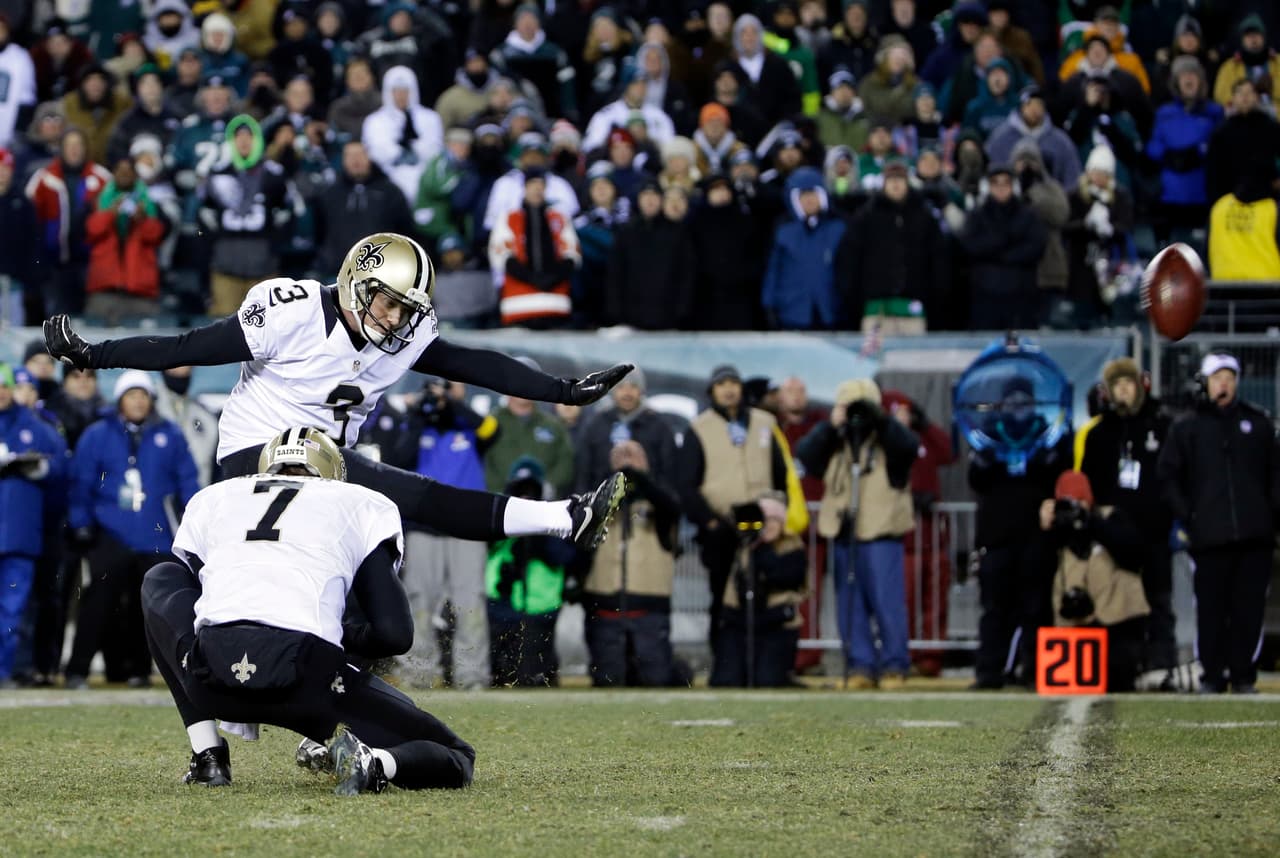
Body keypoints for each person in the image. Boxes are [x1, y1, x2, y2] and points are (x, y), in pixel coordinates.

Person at [43, 231, 630, 554]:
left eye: (408, 308)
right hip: (256, 454)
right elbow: (184, 348)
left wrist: (560, 391)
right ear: (358, 281)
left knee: (383, 548)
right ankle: (562, 518)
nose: (399, 319)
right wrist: (96, 354)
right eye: (391, 301)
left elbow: (469, 363)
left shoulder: (404, 332)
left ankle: (324, 716)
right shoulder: (291, 312)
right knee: (406, 494)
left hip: (327, 462)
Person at [142, 426, 474, 792]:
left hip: (212, 678)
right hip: (308, 686)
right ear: (333, 472)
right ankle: (372, 762)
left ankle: (207, 755)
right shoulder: (355, 502)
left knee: (160, 578)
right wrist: (339, 633)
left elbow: (195, 590)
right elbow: (394, 635)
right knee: (455, 754)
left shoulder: (217, 497)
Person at [65, 371, 199, 688]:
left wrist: (195, 521)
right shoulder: (98, 434)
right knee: (98, 601)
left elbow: (187, 482)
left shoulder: (170, 434)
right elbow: (81, 482)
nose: (138, 401)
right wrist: (81, 522)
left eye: (143, 395)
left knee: (150, 607)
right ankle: (77, 669)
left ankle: (139, 669)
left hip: (154, 533)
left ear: (151, 400)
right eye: (131, 395)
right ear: (120, 399)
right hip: (110, 530)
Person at [1158, 353, 1280, 694]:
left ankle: (1243, 676)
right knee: (1210, 610)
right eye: (1217, 377)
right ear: (1206, 382)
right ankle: (1211, 675)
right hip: (1208, 537)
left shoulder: (1258, 424)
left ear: (1237, 381)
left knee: (1249, 611)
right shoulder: (1187, 427)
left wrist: (1271, 516)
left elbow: (1275, 475)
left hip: (1255, 537)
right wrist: (1189, 516)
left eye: (1229, 377)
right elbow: (1168, 477)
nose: (1223, 383)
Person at [361, 378, 493, 691]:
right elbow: (398, 458)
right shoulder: (418, 428)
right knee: (419, 602)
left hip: (467, 527)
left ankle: (471, 677)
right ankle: (418, 674)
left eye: (452, 386)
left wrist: (452, 402)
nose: (444, 393)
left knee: (470, 602)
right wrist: (420, 415)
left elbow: (492, 431)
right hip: (424, 527)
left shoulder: (472, 427)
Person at [797, 378, 917, 689]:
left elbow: (909, 447)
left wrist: (881, 420)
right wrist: (829, 426)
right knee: (850, 605)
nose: (857, 414)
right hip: (844, 532)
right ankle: (860, 665)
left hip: (881, 533)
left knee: (887, 604)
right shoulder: (835, 440)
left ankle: (894, 666)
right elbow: (806, 456)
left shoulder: (889, 439)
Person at [968, 375, 1072, 688]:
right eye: (1012, 399)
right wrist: (984, 463)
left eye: (1024, 400)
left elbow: (1061, 475)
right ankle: (989, 672)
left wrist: (1047, 461)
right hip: (997, 536)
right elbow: (976, 480)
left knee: (1036, 607)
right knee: (995, 609)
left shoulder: (1049, 434)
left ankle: (1034, 671)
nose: (1018, 406)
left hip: (1037, 536)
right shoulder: (988, 435)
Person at [1077, 358, 1177, 684]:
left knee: (1159, 600)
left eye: (1128, 383)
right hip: (1114, 537)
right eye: (1116, 384)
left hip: (1154, 532)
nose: (1123, 389)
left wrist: (1167, 513)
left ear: (1139, 386)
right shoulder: (1098, 434)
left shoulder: (1161, 425)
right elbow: (1088, 486)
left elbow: (1173, 477)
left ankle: (1161, 668)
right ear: (1107, 391)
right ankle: (1121, 670)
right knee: (1118, 603)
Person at [680, 365, 791, 642]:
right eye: (721, 384)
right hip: (723, 527)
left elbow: (781, 474)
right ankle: (724, 663)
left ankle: (763, 664)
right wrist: (710, 522)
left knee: (769, 593)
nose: (728, 390)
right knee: (723, 595)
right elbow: (686, 484)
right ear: (711, 391)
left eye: (733, 383)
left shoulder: (765, 422)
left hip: (764, 527)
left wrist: (777, 514)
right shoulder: (699, 428)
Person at [1036, 470, 1149, 692]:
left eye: (1078, 502)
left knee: (1119, 680)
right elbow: (1034, 577)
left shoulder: (1110, 517)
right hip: (1072, 629)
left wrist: (1092, 523)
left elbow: (1135, 554)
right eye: (1066, 504)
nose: (1072, 510)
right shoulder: (1056, 531)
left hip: (1116, 624)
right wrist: (1045, 531)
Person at [0, 363, 67, 688]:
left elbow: (61, 468)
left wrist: (40, 471)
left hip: (20, 532)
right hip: (18, 530)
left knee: (15, 609)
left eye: (4, 385)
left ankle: (9, 670)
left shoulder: (36, 427)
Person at [486, 457, 573, 687]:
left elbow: (564, 556)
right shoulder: (500, 520)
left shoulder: (553, 521)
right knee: (503, 674)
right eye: (519, 491)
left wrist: (539, 539)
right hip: (503, 606)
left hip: (539, 608)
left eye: (530, 491)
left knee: (536, 674)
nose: (525, 497)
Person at [707, 494, 806, 687]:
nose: (768, 525)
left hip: (775, 623)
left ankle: (784, 675)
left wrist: (761, 549)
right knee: (725, 681)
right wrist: (733, 525)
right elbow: (713, 558)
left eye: (773, 520)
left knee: (768, 681)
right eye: (763, 520)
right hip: (739, 622)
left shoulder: (792, 546)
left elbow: (789, 577)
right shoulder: (740, 544)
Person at [840, 159, 945, 333]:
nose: (896, 184)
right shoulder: (866, 216)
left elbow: (938, 260)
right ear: (884, 183)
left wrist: (934, 299)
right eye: (891, 180)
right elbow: (850, 260)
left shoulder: (924, 216)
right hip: (876, 308)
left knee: (913, 359)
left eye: (900, 179)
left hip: (913, 308)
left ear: (907, 183)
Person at [488, 167, 581, 328]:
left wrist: (553, 276)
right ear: (524, 188)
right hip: (517, 307)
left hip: (556, 306)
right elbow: (500, 255)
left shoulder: (559, 218)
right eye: (532, 185)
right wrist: (531, 277)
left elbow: (573, 254)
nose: (537, 189)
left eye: (541, 185)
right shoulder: (509, 217)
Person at [960, 163, 1048, 330]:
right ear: (988, 186)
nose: (1001, 188)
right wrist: (1001, 243)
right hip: (985, 294)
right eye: (995, 183)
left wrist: (1005, 255)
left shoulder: (1027, 214)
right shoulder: (978, 215)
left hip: (1020, 294)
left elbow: (1036, 246)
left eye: (1006, 183)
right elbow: (969, 245)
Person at [761, 166, 847, 331]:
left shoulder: (838, 227)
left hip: (829, 310)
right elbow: (773, 270)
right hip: (792, 310)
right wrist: (768, 303)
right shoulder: (783, 230)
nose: (809, 199)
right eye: (803, 195)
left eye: (813, 193)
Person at [83, 156, 167, 325]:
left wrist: (142, 219)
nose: (124, 175)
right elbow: (91, 231)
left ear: (136, 175)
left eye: (129, 171)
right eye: (120, 171)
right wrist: (110, 214)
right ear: (113, 173)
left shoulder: (149, 203)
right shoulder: (99, 200)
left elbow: (157, 235)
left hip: (140, 292)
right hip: (105, 290)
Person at [361, 65, 444, 205]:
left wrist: (415, 148)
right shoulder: (375, 121)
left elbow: (435, 150)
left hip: (424, 178)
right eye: (396, 91)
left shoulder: (430, 118)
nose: (401, 95)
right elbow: (376, 152)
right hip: (388, 178)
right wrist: (398, 151)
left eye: (405, 90)